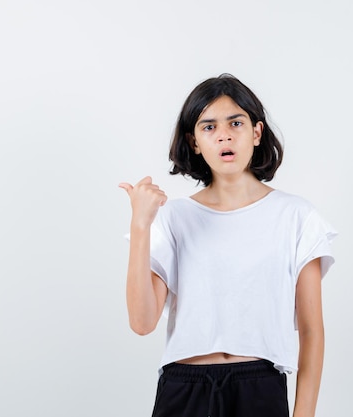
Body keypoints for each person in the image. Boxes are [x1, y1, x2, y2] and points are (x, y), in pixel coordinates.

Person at [119, 74, 337, 417]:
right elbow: (142, 322)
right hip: (183, 388)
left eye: (236, 122)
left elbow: (311, 331)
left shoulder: (296, 216)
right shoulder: (173, 218)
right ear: (194, 142)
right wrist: (140, 225)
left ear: (256, 132)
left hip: (259, 388)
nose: (224, 134)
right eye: (208, 127)